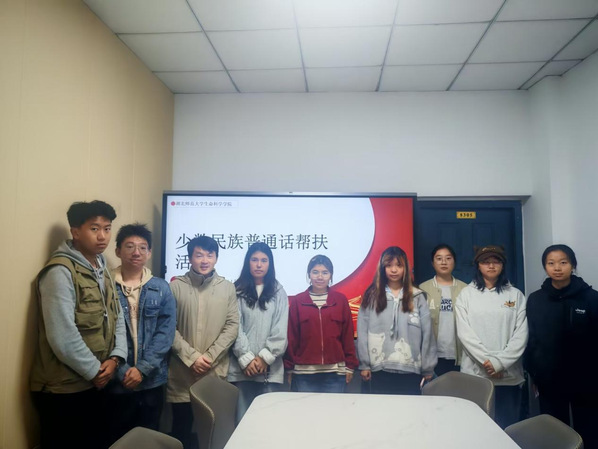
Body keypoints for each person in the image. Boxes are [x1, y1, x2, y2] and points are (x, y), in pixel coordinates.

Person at [30, 200, 127, 449]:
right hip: (65, 389)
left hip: (98, 381)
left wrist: (116, 357)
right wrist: (95, 371)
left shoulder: (102, 265)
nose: (103, 236)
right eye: (94, 229)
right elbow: (62, 335)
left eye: (107, 228)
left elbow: (116, 315)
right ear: (75, 232)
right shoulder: (59, 271)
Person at [167, 235, 239, 449]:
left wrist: (208, 358)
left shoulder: (227, 287)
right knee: (181, 429)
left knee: (212, 432)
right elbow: (169, 328)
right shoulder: (175, 286)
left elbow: (232, 326)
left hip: (213, 370)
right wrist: (192, 358)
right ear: (190, 258)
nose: (205, 260)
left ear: (216, 258)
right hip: (182, 372)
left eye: (210, 255)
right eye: (199, 255)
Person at [524, 244, 598, 449]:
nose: (557, 268)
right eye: (551, 263)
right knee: (554, 432)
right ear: (545, 267)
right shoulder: (536, 299)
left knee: (589, 430)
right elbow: (532, 338)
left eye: (563, 262)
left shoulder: (591, 298)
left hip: (586, 380)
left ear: (572, 265)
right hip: (549, 380)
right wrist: (534, 373)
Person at [108, 223, 176, 442]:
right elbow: (102, 334)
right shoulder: (105, 285)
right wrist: (124, 371)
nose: (136, 252)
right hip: (117, 381)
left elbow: (165, 333)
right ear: (118, 251)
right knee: (117, 438)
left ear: (149, 252)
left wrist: (142, 369)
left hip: (151, 380)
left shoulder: (161, 288)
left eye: (142, 247)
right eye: (129, 246)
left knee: (149, 438)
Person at [455, 245, 527, 429]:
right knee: (475, 429)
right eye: (486, 262)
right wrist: (489, 362)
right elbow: (465, 334)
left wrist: (500, 363)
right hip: (475, 376)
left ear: (503, 265)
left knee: (507, 429)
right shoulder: (466, 295)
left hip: (508, 377)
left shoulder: (515, 295)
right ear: (478, 265)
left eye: (496, 261)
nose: (491, 265)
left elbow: (521, 334)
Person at [358, 246, 437, 395]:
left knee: (409, 409)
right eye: (389, 265)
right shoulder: (371, 296)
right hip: (379, 368)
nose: (394, 270)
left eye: (399, 265)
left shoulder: (417, 296)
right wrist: (364, 364)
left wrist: (428, 367)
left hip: (411, 369)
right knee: (381, 408)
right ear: (382, 268)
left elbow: (428, 334)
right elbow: (362, 331)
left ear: (405, 268)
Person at [227, 242, 288, 423]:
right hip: (241, 370)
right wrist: (246, 358)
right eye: (254, 260)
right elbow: (234, 326)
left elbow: (281, 328)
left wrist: (264, 358)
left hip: (270, 370)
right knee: (242, 423)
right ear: (248, 262)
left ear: (270, 264)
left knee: (268, 424)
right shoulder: (236, 290)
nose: (259, 265)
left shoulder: (279, 291)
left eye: (264, 260)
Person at [284, 255, 358, 393]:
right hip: (303, 373)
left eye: (325, 272)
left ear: (331, 275)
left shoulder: (340, 301)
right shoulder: (298, 301)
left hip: (335, 373)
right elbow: (291, 337)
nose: (320, 277)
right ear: (309, 275)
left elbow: (347, 335)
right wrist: (289, 368)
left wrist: (350, 366)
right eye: (315, 272)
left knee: (333, 408)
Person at [419, 244, 467, 376]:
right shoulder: (423, 289)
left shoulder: (465, 289)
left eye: (448, 258)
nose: (444, 262)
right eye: (439, 258)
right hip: (432, 355)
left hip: (459, 355)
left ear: (454, 262)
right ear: (432, 263)